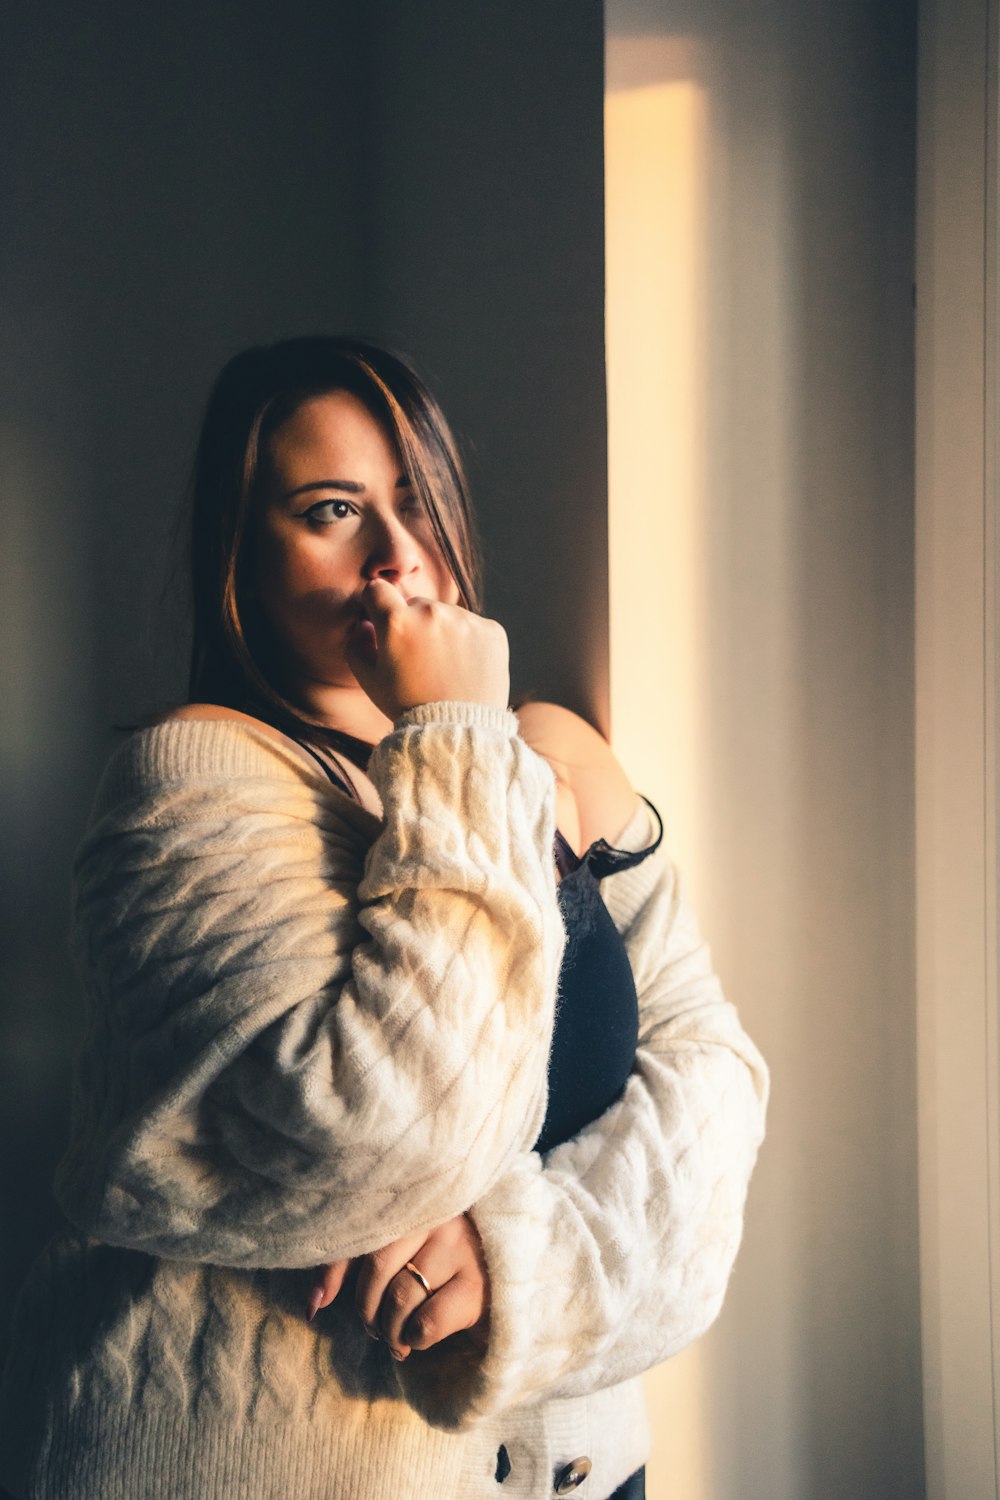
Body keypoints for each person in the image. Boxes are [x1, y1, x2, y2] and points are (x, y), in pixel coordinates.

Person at [0, 336, 769, 1500]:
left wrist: (514, 1268)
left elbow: (713, 1091)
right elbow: (386, 1135)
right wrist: (457, 734)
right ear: (239, 557)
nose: (398, 559)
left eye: (417, 504)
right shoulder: (190, 781)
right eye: (331, 511)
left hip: (586, 1464)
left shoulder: (545, 759)